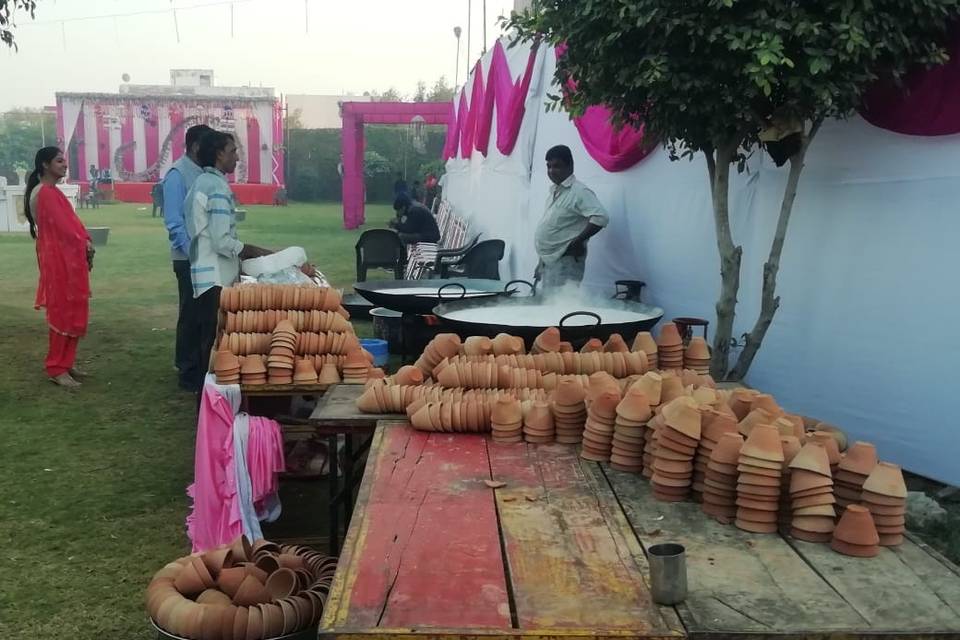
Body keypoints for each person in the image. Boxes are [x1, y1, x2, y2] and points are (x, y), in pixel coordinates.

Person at [185, 130, 271, 391]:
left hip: (203, 275)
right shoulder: (216, 187)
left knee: (206, 343)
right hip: (216, 279)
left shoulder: (201, 183)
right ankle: (210, 409)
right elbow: (222, 241)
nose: (237, 157)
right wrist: (253, 250)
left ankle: (206, 406)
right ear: (220, 154)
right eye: (233, 151)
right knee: (215, 347)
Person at [23, 147, 95, 389]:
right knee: (62, 310)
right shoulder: (44, 193)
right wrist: (83, 242)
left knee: (74, 306)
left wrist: (84, 241)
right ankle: (56, 367)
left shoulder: (53, 192)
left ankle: (67, 362)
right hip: (57, 260)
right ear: (45, 165)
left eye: (64, 160)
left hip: (66, 258)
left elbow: (72, 225)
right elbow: (64, 230)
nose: (65, 164)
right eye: (59, 160)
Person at [163, 123, 213, 391]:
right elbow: (173, 221)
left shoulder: (204, 173)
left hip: (207, 258)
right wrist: (194, 255)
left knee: (206, 314)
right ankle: (187, 370)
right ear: (195, 147)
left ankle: (201, 367)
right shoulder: (177, 174)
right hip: (188, 259)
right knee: (191, 314)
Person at [534, 145, 608, 288]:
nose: (551, 171)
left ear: (570, 166)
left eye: (556, 166)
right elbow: (555, 228)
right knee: (548, 305)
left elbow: (601, 217)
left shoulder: (579, 191)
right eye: (548, 167)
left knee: (562, 305)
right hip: (550, 261)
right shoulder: (554, 192)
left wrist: (578, 241)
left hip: (567, 260)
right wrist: (540, 263)